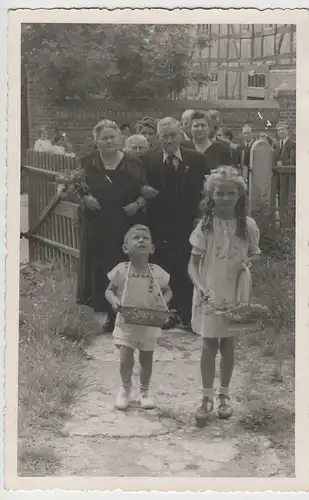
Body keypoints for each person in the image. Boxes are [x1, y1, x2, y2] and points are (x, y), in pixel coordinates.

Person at [188, 166, 261, 425]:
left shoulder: (247, 225)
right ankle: (206, 397)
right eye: (220, 193)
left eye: (231, 193)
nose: (226, 198)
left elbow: (254, 253)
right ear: (212, 195)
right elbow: (192, 264)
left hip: (235, 292)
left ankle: (224, 395)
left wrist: (249, 263)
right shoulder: (205, 226)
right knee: (209, 345)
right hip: (210, 291)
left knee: (229, 344)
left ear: (239, 195)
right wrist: (199, 287)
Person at [76, 119, 149, 334]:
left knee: (122, 266)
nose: (109, 141)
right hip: (96, 222)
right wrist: (85, 198)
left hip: (124, 222)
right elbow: (76, 186)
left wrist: (137, 205)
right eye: (104, 138)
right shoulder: (87, 162)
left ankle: (123, 314)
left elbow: (146, 192)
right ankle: (106, 312)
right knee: (100, 267)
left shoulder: (134, 163)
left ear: (120, 138)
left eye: (112, 137)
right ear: (96, 141)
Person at [140, 117, 210, 331]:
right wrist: (142, 189)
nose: (169, 140)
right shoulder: (146, 159)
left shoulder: (196, 159)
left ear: (181, 135)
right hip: (158, 223)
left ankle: (187, 314)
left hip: (187, 222)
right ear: (157, 137)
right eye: (164, 136)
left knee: (186, 265)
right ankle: (166, 312)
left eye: (173, 135)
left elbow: (205, 191)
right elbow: (137, 184)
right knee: (162, 266)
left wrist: (202, 214)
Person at [105, 224, 172, 410]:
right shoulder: (121, 270)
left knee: (146, 360)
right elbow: (108, 291)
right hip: (126, 322)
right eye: (136, 238)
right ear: (126, 248)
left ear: (152, 248)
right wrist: (114, 301)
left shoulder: (157, 272)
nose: (141, 240)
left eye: (145, 238)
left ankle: (144, 392)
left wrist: (163, 303)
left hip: (149, 323)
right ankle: (125, 389)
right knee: (126, 360)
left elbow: (168, 292)